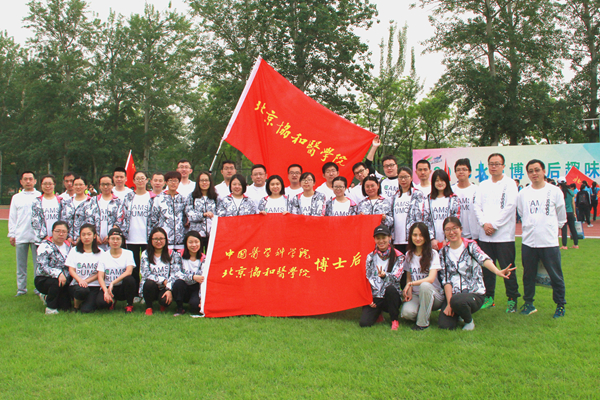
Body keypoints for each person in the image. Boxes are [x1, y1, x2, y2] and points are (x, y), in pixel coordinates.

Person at [438, 217, 515, 330]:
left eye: (455, 228)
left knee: (458, 301)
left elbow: (484, 259)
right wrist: (449, 304)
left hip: (474, 294)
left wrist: (497, 271)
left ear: (461, 229)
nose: (451, 232)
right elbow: (446, 279)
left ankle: (469, 321)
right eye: (447, 229)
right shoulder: (443, 252)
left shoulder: (470, 246)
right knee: (445, 325)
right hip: (454, 296)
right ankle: (458, 311)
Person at [517, 160, 567, 318]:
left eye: (537, 170)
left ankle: (560, 305)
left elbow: (561, 215)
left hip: (549, 242)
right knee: (528, 275)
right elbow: (522, 212)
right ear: (527, 174)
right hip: (529, 242)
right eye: (531, 171)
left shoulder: (554, 191)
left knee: (555, 275)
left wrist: (551, 229)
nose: (534, 173)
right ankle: (529, 303)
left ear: (544, 171)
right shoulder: (523, 193)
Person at [473, 153, 520, 312]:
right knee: (487, 269)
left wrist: (494, 225)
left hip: (504, 236)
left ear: (503, 166)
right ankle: (489, 297)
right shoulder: (483, 185)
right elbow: (477, 206)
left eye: (497, 164)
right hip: (485, 235)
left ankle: (512, 298)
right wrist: (484, 224)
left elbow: (510, 207)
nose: (493, 167)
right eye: (491, 164)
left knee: (508, 268)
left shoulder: (510, 184)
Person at [401, 222, 444, 330]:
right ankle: (422, 311)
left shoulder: (433, 254)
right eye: (415, 235)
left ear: (426, 237)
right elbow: (409, 276)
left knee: (424, 285)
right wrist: (409, 290)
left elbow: (431, 279)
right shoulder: (409, 254)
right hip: (416, 295)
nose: (418, 238)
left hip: (434, 295)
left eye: (421, 235)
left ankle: (422, 324)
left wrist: (411, 284)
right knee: (407, 314)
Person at [359, 225, 404, 330]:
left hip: (391, 296)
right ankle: (378, 314)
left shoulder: (399, 256)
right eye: (378, 238)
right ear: (374, 239)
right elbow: (367, 278)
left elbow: (397, 277)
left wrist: (385, 276)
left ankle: (394, 320)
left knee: (391, 289)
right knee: (364, 323)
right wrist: (368, 298)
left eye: (384, 238)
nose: (381, 241)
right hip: (376, 296)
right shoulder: (370, 257)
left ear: (390, 238)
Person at [120, 171, 157, 289]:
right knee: (134, 267)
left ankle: (146, 290)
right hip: (131, 237)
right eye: (137, 179)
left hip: (148, 237)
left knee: (148, 266)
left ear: (147, 180)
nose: (140, 181)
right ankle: (134, 292)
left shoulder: (153, 197)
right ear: (134, 181)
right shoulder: (128, 197)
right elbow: (122, 215)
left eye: (142, 178)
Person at [8, 171, 41, 296]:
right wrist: (12, 234)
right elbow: (12, 217)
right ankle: (21, 289)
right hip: (21, 234)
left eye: (30, 179)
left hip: (36, 235)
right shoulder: (16, 197)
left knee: (38, 265)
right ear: (21, 181)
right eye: (25, 179)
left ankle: (38, 288)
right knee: (21, 265)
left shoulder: (39, 196)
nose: (28, 181)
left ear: (35, 181)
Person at [34, 221, 72, 314]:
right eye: (57, 231)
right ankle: (51, 308)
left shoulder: (69, 246)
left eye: (64, 232)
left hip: (65, 279)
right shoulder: (44, 246)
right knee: (55, 282)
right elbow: (43, 266)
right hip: (45, 279)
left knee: (65, 307)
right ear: (52, 232)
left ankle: (46, 297)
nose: (61, 234)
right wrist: (58, 274)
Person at [140, 227, 180, 315]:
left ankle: (163, 303)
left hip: (165, 287)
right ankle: (149, 307)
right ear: (151, 240)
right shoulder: (145, 254)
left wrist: (169, 289)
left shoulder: (172, 254)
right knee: (148, 284)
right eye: (155, 239)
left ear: (166, 240)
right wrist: (162, 280)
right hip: (151, 286)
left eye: (161, 239)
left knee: (165, 301)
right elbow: (145, 274)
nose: (158, 241)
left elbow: (175, 273)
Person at [96, 228, 137, 313]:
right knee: (101, 304)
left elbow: (129, 271)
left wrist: (113, 283)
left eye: (118, 239)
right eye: (112, 239)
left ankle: (129, 305)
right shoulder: (103, 255)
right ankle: (112, 301)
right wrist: (105, 291)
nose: (115, 241)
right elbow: (100, 276)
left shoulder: (128, 253)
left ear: (122, 241)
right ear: (108, 240)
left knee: (130, 279)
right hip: (108, 287)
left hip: (122, 287)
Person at [66, 223, 103, 313]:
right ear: (80, 237)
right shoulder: (74, 251)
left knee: (86, 310)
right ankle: (76, 306)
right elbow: (71, 270)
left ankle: (85, 302)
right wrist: (80, 281)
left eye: (89, 234)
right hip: (77, 285)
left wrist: (87, 281)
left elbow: (100, 273)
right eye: (83, 235)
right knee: (82, 290)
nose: (86, 237)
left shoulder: (101, 252)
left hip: (94, 285)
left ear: (94, 236)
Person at [423, 169, 460, 249]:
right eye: (437, 180)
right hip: (433, 243)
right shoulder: (428, 199)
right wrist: (432, 239)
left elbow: (456, 220)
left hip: (450, 240)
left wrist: (447, 239)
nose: (440, 183)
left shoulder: (453, 199)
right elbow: (426, 220)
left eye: (442, 180)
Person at [171, 231, 205, 317]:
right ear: (186, 243)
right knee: (178, 283)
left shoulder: (204, 258)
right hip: (183, 286)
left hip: (196, 288)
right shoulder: (178, 255)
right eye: (190, 242)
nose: (194, 245)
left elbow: (203, 280)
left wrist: (202, 298)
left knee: (195, 306)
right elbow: (176, 273)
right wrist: (192, 277)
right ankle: (179, 308)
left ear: (200, 243)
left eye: (196, 242)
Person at [391, 167, 424, 254]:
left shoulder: (417, 194)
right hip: (397, 239)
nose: (403, 180)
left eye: (406, 177)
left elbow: (421, 216)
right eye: (400, 177)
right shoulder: (395, 196)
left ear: (411, 178)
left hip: (412, 238)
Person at [150, 171, 187, 250]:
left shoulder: (183, 199)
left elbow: (185, 218)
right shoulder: (159, 198)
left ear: (179, 183)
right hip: (164, 239)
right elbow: (153, 218)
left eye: (175, 181)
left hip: (180, 240)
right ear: (166, 182)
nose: (173, 183)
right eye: (170, 181)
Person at [186, 171, 218, 252]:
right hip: (196, 235)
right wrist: (203, 215)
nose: (204, 183)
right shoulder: (191, 196)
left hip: (212, 234)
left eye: (206, 180)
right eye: (202, 180)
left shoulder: (216, 197)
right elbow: (189, 215)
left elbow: (221, 213)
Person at [60, 176, 98, 243]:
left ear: (86, 186)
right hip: (68, 241)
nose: (78, 187)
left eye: (80, 185)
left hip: (86, 240)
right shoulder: (67, 203)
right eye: (76, 185)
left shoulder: (92, 202)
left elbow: (94, 222)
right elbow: (63, 221)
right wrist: (67, 237)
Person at [31, 174, 65, 244]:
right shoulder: (37, 202)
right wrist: (44, 237)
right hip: (42, 241)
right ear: (41, 185)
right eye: (45, 184)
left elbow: (65, 219)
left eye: (50, 184)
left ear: (54, 184)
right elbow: (35, 221)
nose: (47, 186)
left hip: (59, 239)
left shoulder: (61, 201)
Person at [93, 175, 123, 251]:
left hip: (113, 240)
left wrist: (110, 235)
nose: (105, 187)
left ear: (112, 185)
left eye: (108, 184)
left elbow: (120, 220)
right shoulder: (93, 201)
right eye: (103, 184)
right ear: (99, 186)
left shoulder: (118, 202)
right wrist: (94, 235)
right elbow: (89, 219)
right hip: (96, 240)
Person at [451, 158, 479, 240]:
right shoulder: (451, 190)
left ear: (469, 172)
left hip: (474, 235)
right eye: (458, 170)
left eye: (464, 169)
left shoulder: (476, 190)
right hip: (455, 235)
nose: (461, 172)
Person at [559, 178, 578, 250]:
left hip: (563, 212)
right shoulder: (570, 191)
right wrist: (574, 212)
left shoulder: (560, 192)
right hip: (570, 211)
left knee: (564, 229)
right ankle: (576, 244)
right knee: (573, 228)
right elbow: (573, 203)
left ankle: (564, 245)